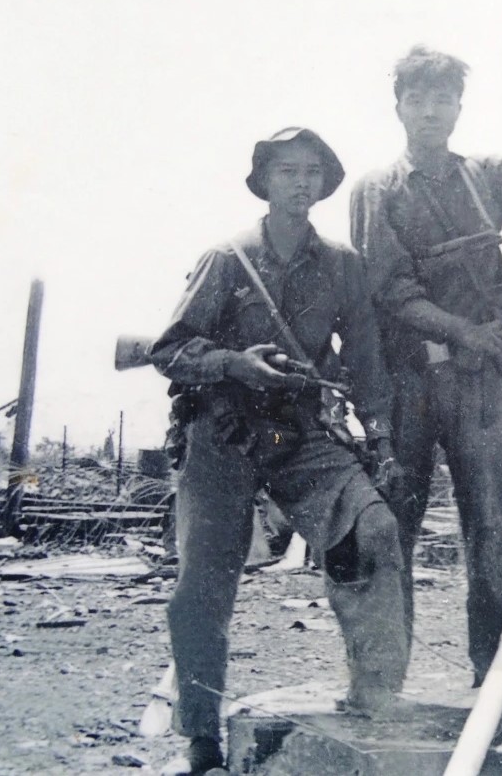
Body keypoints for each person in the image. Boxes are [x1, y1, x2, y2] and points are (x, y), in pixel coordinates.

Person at [153, 127, 409, 774]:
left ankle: (376, 703)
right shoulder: (227, 260)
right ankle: (201, 739)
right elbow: (170, 350)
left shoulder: (343, 265)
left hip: (299, 434)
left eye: (312, 171)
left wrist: (380, 439)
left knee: (373, 528)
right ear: (264, 181)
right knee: (203, 586)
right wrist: (235, 363)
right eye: (287, 170)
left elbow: (367, 361)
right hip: (221, 432)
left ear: (324, 183)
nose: (300, 182)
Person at [349, 46, 502, 704]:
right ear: (398, 107)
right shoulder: (377, 189)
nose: (430, 111)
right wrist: (464, 329)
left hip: (479, 381)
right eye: (417, 98)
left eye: (442, 99)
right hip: (406, 382)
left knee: (493, 525)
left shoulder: (488, 177)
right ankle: (380, 678)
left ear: (460, 107)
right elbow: (390, 289)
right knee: (390, 528)